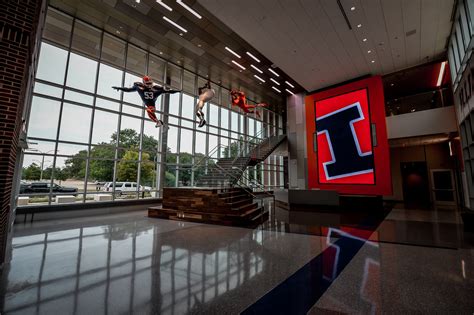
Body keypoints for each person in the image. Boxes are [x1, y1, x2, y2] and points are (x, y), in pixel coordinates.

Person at [112, 76, 180, 127]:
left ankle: (157, 122)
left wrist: (177, 91)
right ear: (144, 83)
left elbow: (168, 91)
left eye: (150, 83)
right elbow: (128, 89)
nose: (149, 85)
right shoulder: (139, 87)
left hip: (152, 103)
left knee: (149, 109)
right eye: (147, 84)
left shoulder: (156, 88)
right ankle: (158, 121)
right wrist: (119, 88)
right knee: (149, 109)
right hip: (148, 103)